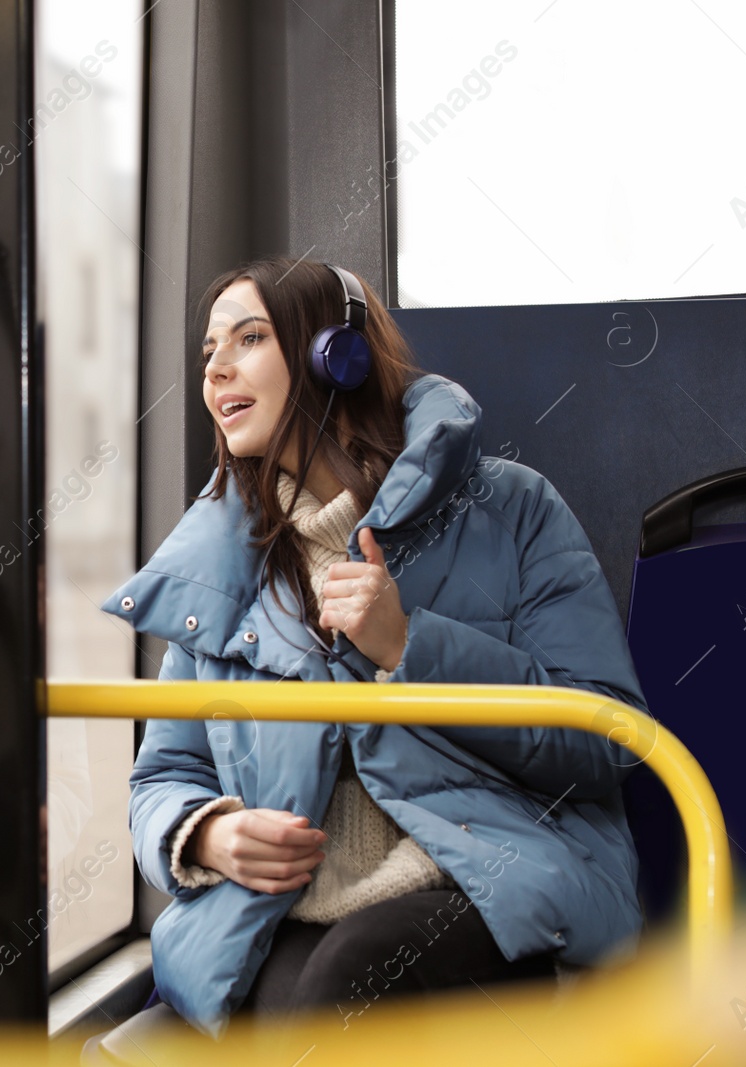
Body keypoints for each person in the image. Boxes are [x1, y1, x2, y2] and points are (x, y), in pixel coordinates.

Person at [82, 256, 649, 1062]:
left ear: (333, 357)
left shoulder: (512, 507)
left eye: (249, 337)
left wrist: (410, 647)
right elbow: (161, 774)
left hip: (481, 891)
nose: (215, 368)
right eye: (209, 349)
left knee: (342, 984)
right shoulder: (221, 563)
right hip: (288, 908)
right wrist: (204, 834)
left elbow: (606, 742)